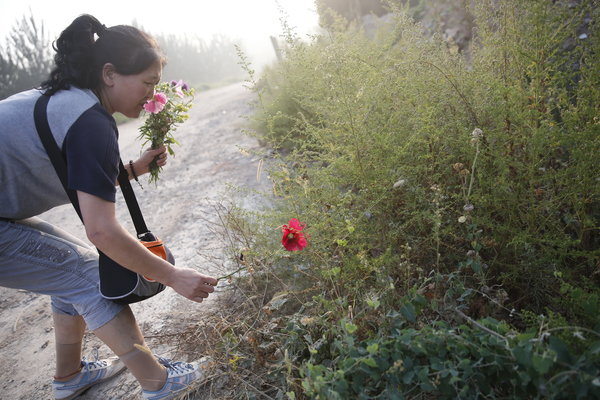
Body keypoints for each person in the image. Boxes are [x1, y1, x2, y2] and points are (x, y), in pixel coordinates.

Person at [0, 14, 218, 400]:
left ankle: (69, 376)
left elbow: (82, 180)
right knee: (87, 274)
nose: (153, 97)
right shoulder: (90, 122)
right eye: (148, 84)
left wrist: (132, 170)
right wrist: (173, 275)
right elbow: (102, 231)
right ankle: (159, 382)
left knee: (69, 268)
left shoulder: (70, 101)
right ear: (110, 73)